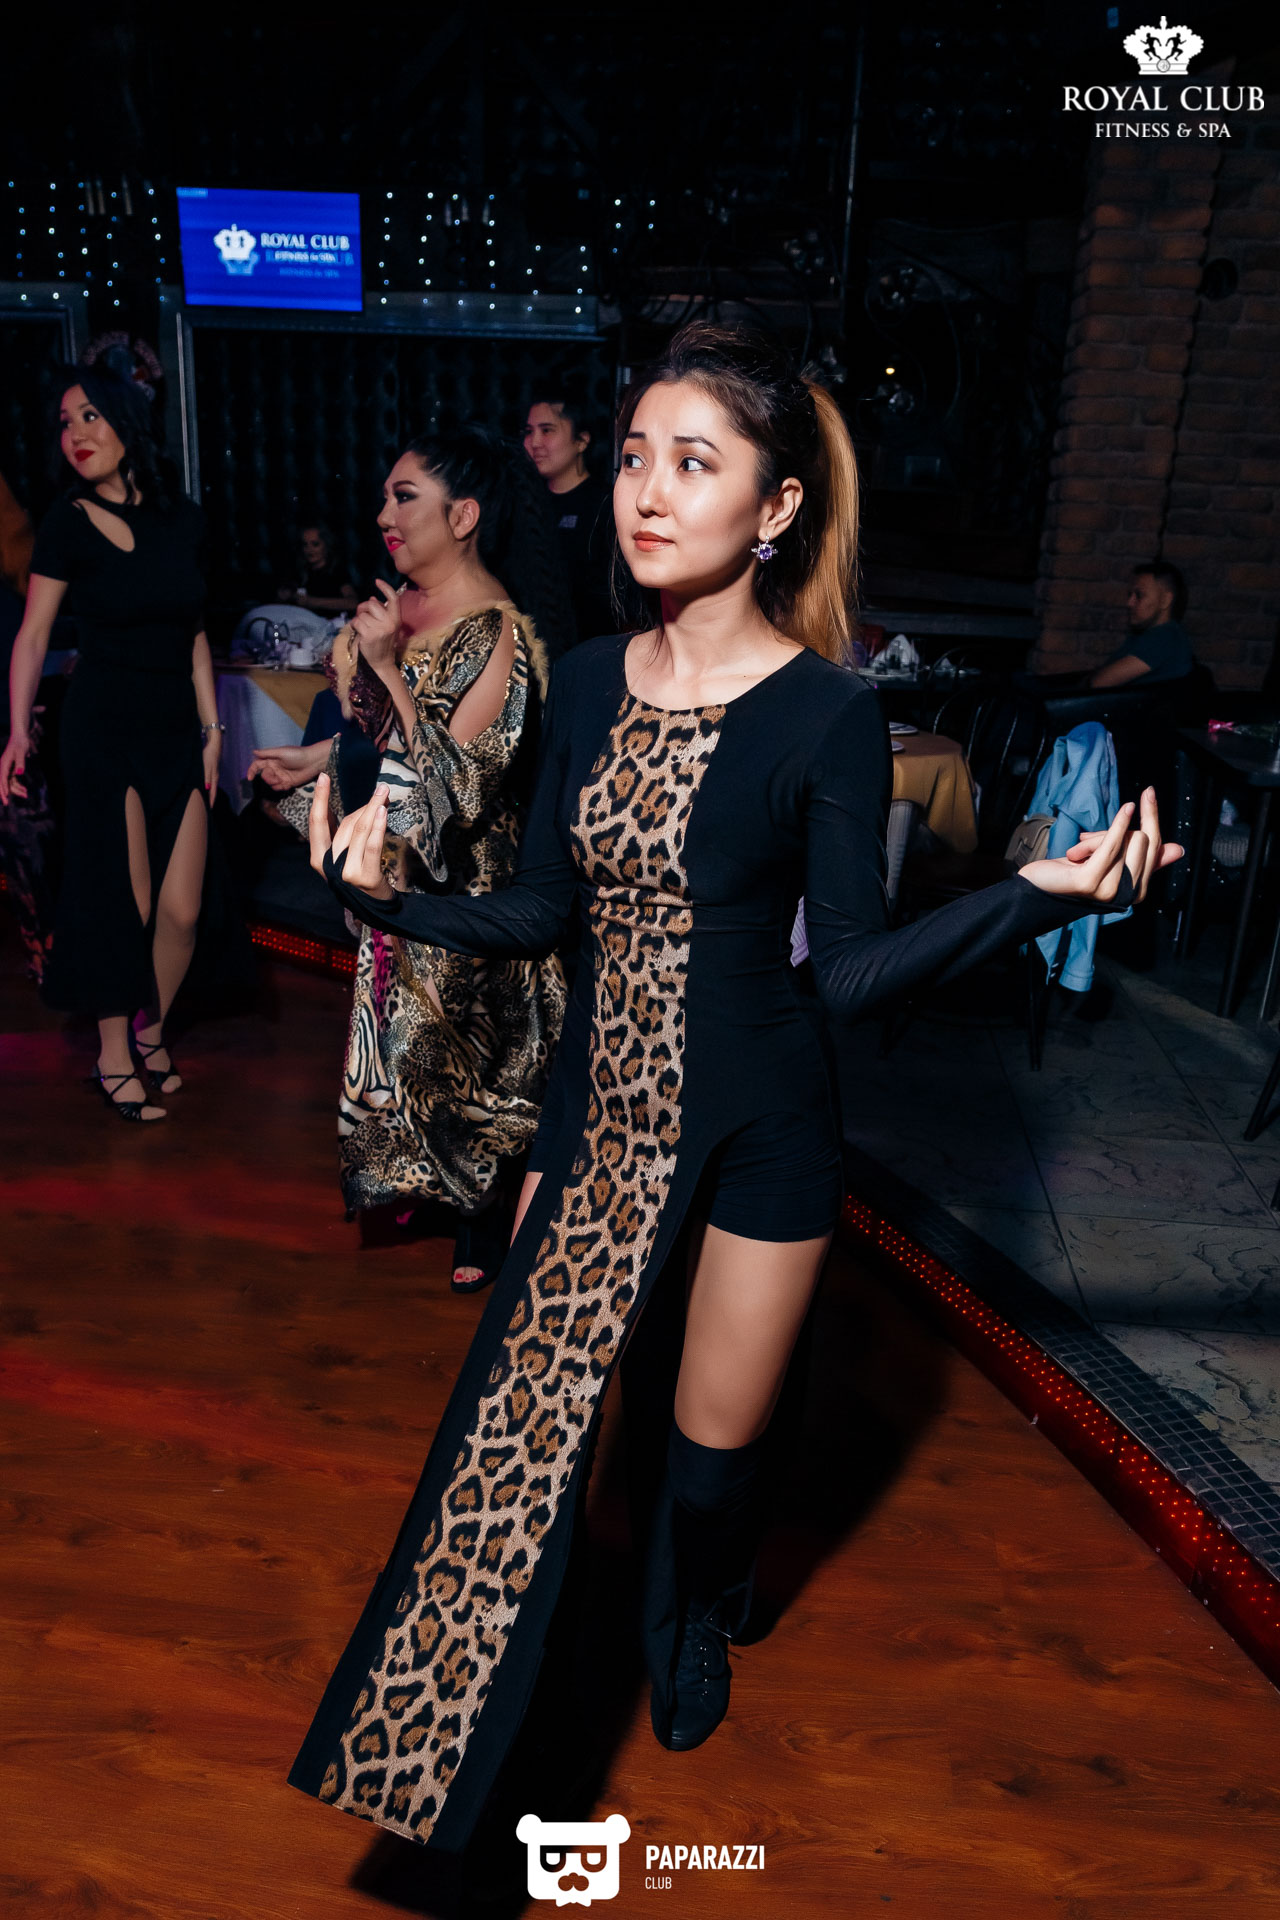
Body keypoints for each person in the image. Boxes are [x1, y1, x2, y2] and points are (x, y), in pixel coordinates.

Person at [294, 322, 1179, 1857]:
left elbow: (853, 975)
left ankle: (701, 1599)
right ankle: (437, 1749)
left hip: (763, 1128)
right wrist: (382, 901)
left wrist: (1035, 896)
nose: (648, 491)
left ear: (772, 509)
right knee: (527, 1438)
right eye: (636, 456)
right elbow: (542, 911)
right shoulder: (586, 679)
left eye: (692, 463)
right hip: (598, 1123)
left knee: (710, 1464)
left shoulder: (824, 713)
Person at [252, 426, 570, 1291]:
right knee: (408, 1045)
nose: (383, 515)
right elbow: (378, 741)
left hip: (465, 884)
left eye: (405, 497)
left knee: (467, 1057)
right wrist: (314, 758)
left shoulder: (495, 632)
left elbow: (452, 791)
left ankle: (482, 1218)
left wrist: (388, 668)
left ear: (463, 517)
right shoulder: (406, 609)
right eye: (385, 497)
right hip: (393, 867)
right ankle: (436, 1190)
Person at [0, 370, 219, 1121]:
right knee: (123, 900)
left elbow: (194, 633)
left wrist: (214, 730)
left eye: (90, 416)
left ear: (127, 420)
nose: (76, 435)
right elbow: (33, 635)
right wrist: (17, 728)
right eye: (65, 423)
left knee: (182, 910)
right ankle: (113, 1054)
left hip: (174, 728)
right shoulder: (67, 523)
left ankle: (151, 1032)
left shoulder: (182, 520)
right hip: (100, 726)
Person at [523, 385, 613, 656]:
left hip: (590, 652)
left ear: (581, 441)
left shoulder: (605, 505)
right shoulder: (524, 503)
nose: (534, 443)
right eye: (529, 431)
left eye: (547, 430)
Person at [1089, 560, 1194, 689]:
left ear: (1165, 601)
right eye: (1130, 595)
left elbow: (1099, 683)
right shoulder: (1147, 634)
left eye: (1139, 595)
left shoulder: (1164, 638)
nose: (1129, 603)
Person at [277, 522, 358, 616]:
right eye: (305, 545)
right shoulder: (301, 571)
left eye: (315, 544)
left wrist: (313, 602)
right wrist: (285, 595)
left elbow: (353, 603)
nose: (309, 549)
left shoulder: (337, 571)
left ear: (327, 545)